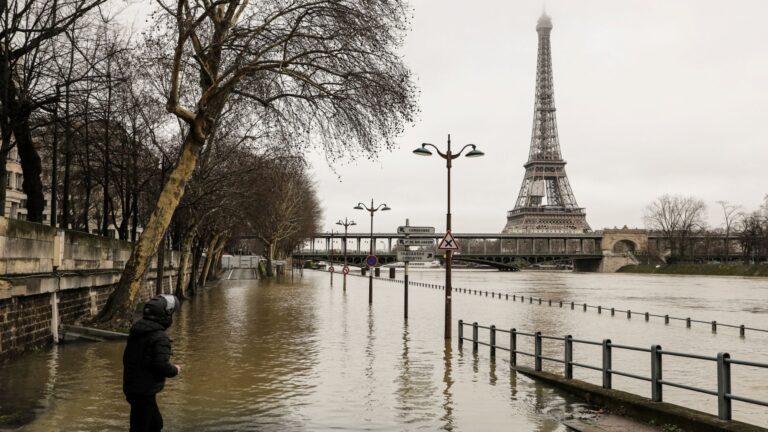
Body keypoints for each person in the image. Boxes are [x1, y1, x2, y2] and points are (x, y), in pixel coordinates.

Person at [123, 295, 181, 432]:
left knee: (155, 424)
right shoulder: (160, 337)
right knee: (142, 427)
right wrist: (175, 369)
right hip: (144, 390)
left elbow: (128, 358)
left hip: (133, 386)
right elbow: (161, 365)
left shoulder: (136, 331)